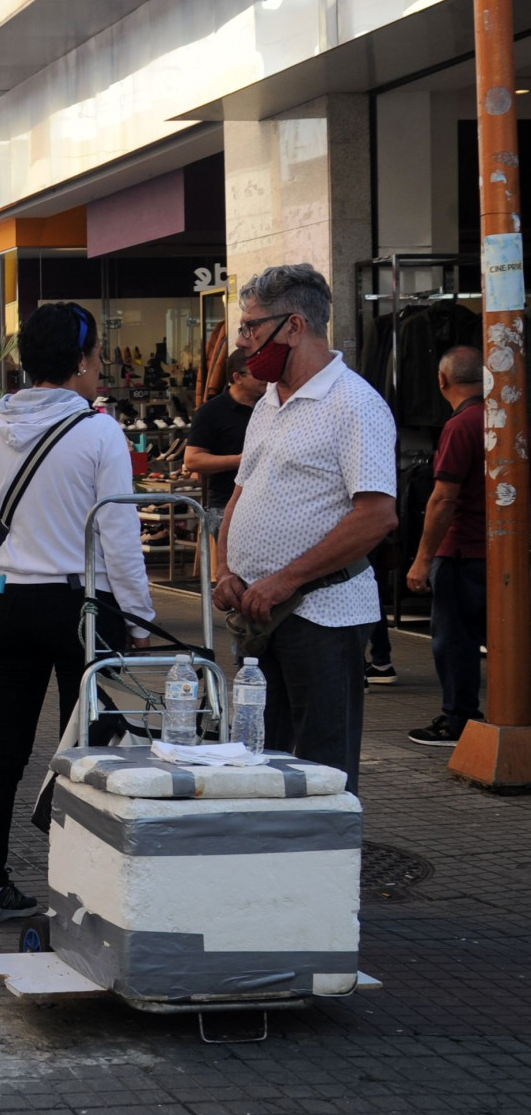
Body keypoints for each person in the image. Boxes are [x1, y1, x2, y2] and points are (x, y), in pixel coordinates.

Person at [0, 301, 156, 924]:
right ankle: (86, 892)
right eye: (97, 356)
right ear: (79, 361)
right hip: (81, 607)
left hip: (12, 602)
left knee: (4, 748)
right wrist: (140, 617)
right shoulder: (99, 433)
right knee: (91, 749)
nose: (100, 367)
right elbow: (119, 535)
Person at [216, 264, 398, 790]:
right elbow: (241, 495)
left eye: (252, 327)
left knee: (323, 765)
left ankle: (328, 869)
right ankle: (273, 865)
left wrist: (286, 579)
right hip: (259, 612)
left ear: (294, 326)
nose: (246, 342)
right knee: (259, 757)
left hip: (323, 615)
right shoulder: (268, 403)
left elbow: (377, 515)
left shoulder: (354, 403)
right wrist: (226, 568)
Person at [405, 346, 487, 746]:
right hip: (497, 551)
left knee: (455, 640)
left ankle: (459, 718)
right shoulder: (503, 417)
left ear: (442, 381)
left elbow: (442, 498)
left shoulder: (461, 425)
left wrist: (421, 560)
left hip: (460, 550)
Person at [184, 350, 266, 558]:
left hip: (267, 503)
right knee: (238, 570)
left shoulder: (271, 407)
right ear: (237, 377)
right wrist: (241, 460)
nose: (266, 377)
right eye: (257, 372)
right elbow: (192, 459)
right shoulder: (211, 412)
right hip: (226, 504)